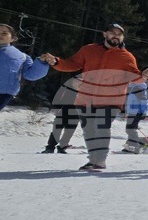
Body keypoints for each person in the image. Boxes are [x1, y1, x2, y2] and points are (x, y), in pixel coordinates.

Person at [40, 23, 142, 171]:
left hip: (111, 99)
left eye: (119, 34)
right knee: (89, 130)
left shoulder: (126, 57)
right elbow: (71, 64)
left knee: (101, 126)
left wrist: (145, 75)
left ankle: (100, 160)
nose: (116, 36)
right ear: (104, 34)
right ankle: (93, 159)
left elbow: (135, 76)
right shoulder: (89, 50)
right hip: (86, 98)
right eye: (112, 32)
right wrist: (56, 62)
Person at [0, 23, 49, 170]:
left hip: (2, 92)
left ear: (13, 37)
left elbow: (31, 74)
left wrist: (42, 63)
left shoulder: (21, 57)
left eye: (4, 33)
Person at [42, 76, 82, 154]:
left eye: (80, 82)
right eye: (76, 81)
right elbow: (59, 100)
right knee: (56, 130)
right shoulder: (67, 90)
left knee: (69, 132)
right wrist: (55, 107)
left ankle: (62, 147)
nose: (77, 83)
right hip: (63, 113)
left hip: (75, 115)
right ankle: (50, 147)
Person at [122, 81, 148, 153]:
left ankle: (134, 146)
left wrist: (143, 113)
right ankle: (131, 145)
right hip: (133, 113)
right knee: (131, 129)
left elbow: (144, 101)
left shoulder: (138, 88)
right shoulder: (134, 88)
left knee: (130, 129)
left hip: (136, 113)